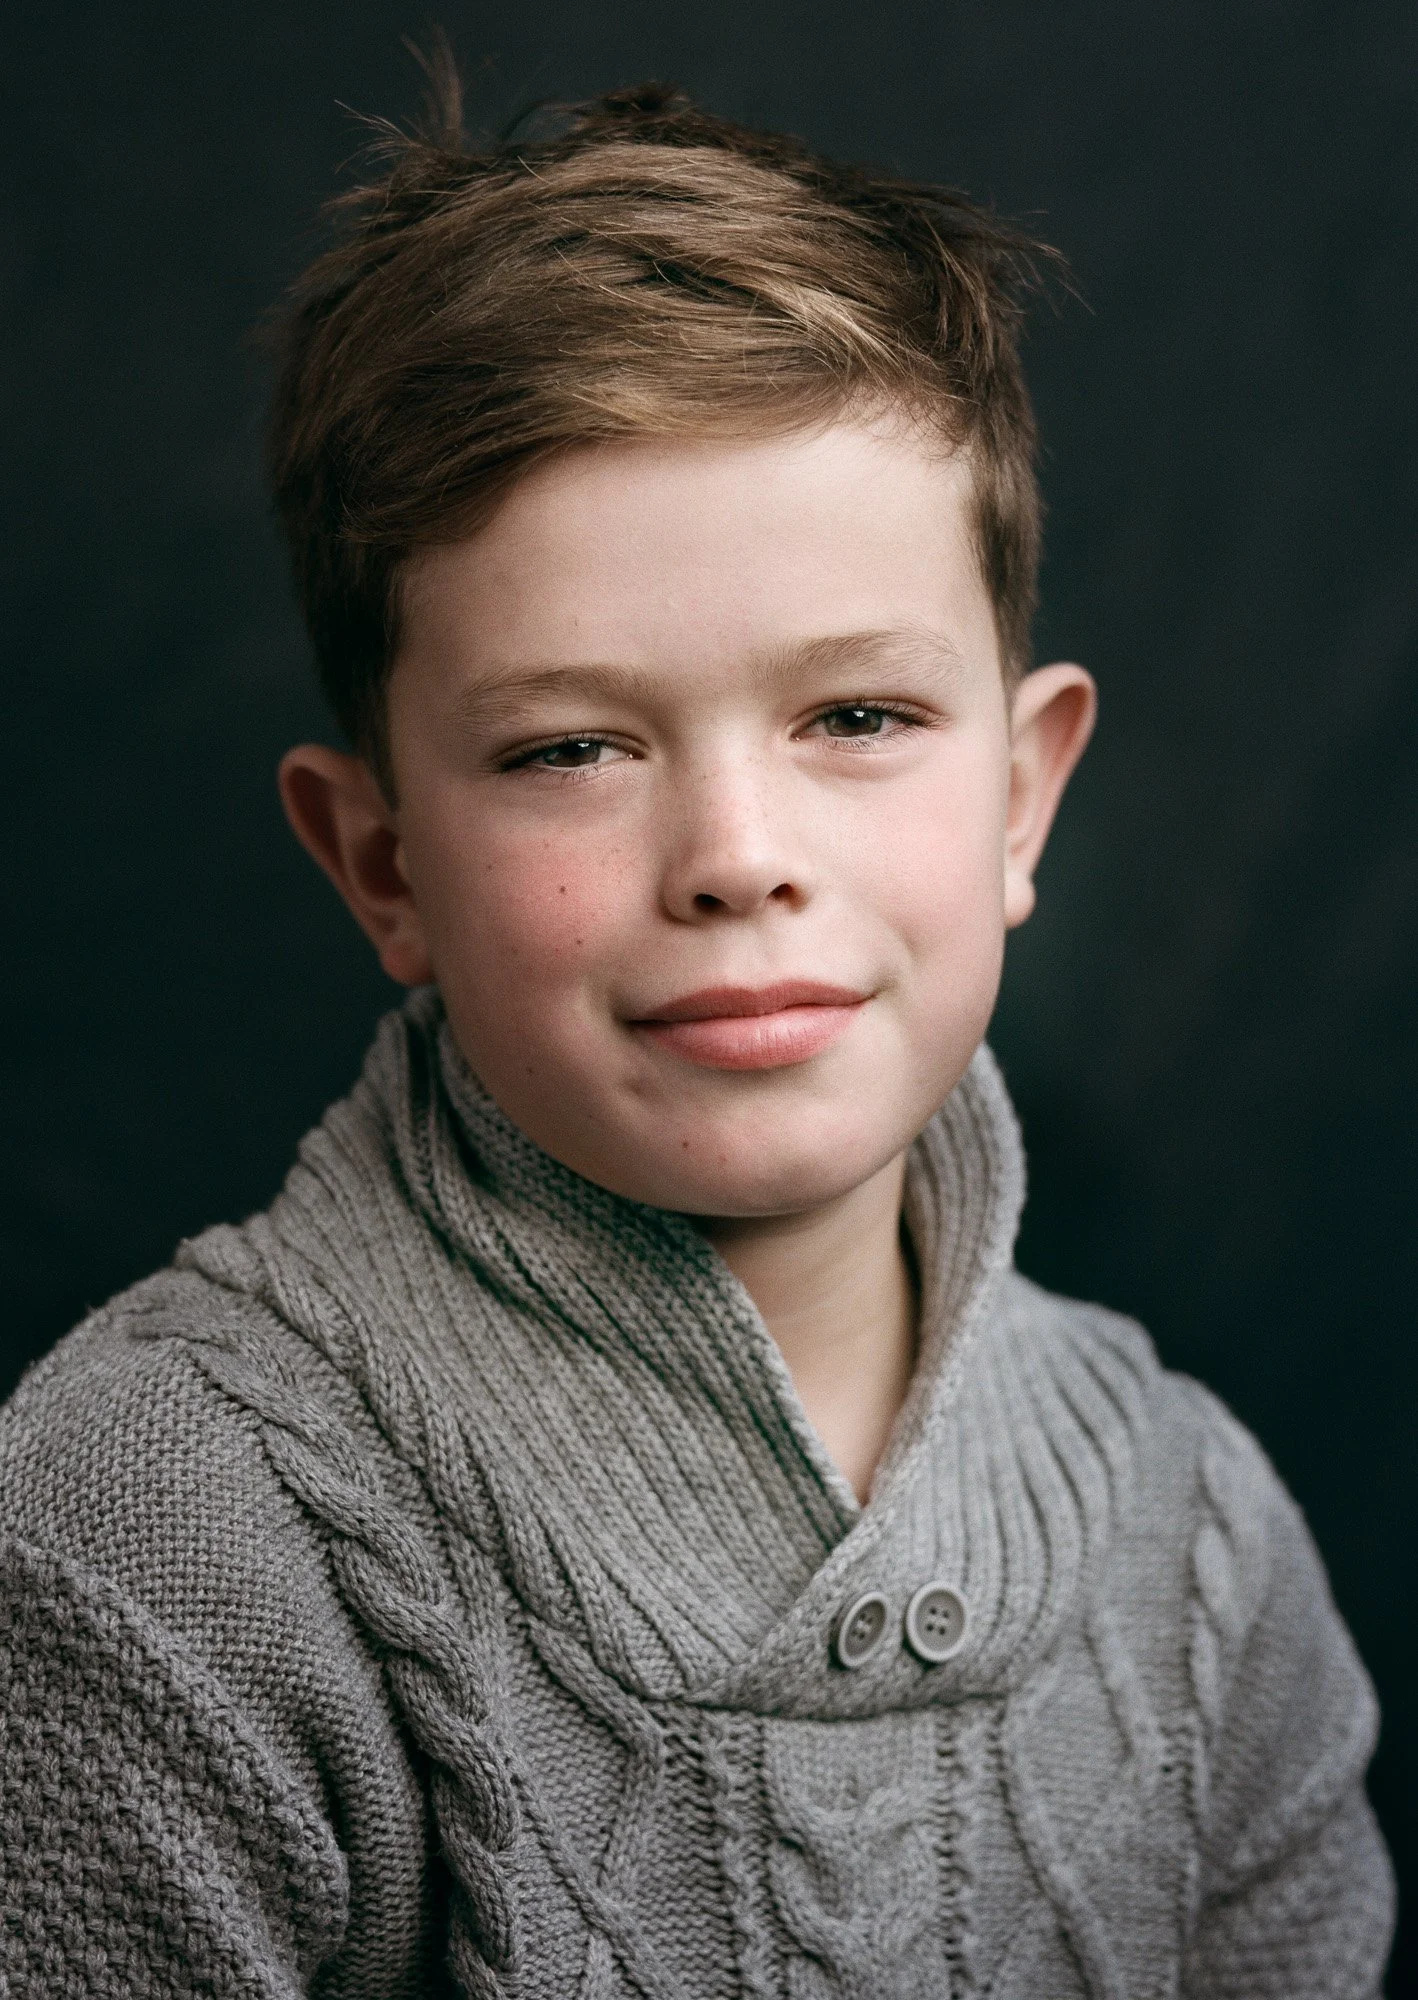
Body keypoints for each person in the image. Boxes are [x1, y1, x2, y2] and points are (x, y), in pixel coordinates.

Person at [0, 70, 1394, 2000]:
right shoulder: (150, 1530)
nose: (736, 858)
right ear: (380, 862)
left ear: (1020, 799)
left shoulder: (1196, 1542)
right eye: (570, 748)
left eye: (855, 720)